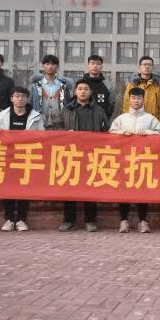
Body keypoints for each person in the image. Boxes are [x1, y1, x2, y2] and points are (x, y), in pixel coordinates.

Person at [59, 79, 110, 233]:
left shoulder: (98, 110)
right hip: (71, 154)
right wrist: (65, 134)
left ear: (90, 92)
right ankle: (68, 220)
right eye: (80, 88)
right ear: (75, 91)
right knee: (69, 189)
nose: (83, 91)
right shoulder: (66, 110)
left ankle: (90, 220)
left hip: (92, 155)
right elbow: (58, 129)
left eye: (86, 89)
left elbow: (106, 131)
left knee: (90, 188)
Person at [109, 87, 160, 234]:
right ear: (129, 99)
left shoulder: (151, 119)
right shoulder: (121, 119)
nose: (136, 101)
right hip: (124, 161)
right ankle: (123, 221)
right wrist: (122, 133)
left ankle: (143, 221)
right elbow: (111, 134)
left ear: (143, 100)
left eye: (139, 98)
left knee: (142, 191)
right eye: (133, 98)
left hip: (144, 161)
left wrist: (148, 133)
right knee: (124, 191)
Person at [0, 86, 44, 232]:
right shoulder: (3, 116)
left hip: (27, 157)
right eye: (17, 96)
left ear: (27, 99)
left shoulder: (36, 116)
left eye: (23, 96)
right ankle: (9, 219)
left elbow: (43, 136)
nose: (20, 99)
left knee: (24, 188)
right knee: (7, 188)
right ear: (11, 99)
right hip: (7, 157)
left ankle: (22, 219)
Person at [29, 54, 74, 130]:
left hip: (60, 126)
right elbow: (30, 104)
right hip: (39, 126)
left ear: (57, 67)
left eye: (53, 64)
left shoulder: (64, 86)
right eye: (47, 64)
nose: (50, 66)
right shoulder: (35, 87)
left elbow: (68, 106)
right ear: (43, 66)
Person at [122, 55, 160, 128]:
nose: (147, 67)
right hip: (135, 122)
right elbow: (126, 104)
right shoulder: (132, 85)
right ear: (140, 67)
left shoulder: (157, 86)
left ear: (153, 67)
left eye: (150, 65)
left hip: (152, 123)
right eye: (144, 64)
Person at [79, 54, 114, 119]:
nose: (95, 66)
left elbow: (111, 104)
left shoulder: (107, 85)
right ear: (88, 66)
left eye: (98, 64)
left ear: (101, 67)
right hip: (82, 120)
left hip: (101, 121)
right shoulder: (80, 84)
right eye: (92, 64)